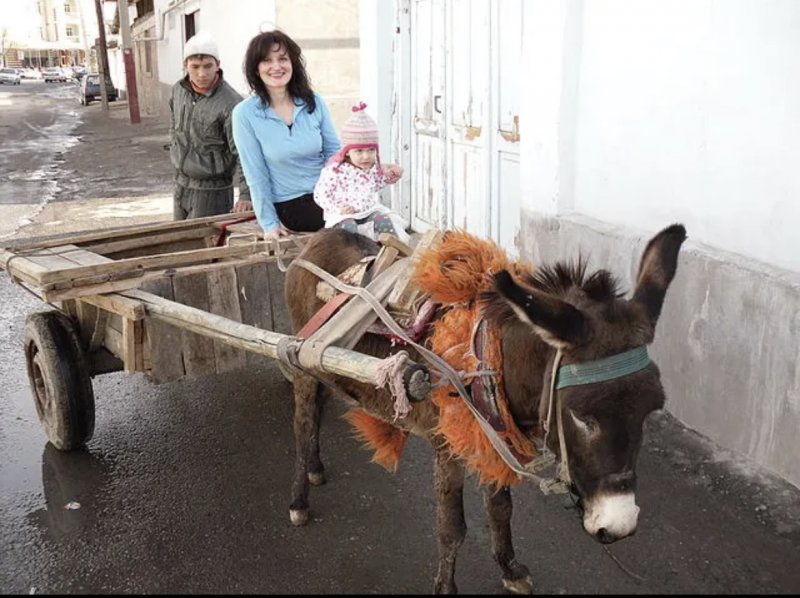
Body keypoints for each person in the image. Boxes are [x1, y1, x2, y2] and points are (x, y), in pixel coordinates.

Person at [232, 30, 341, 240]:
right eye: (267, 61)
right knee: (355, 224)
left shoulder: (314, 102)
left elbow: (334, 154)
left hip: (328, 195)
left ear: (293, 63)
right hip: (291, 204)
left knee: (377, 215)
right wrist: (269, 223)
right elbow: (255, 174)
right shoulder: (245, 114)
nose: (276, 66)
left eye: (283, 59)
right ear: (256, 69)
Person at [169, 31, 251, 220]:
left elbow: (244, 153)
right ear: (185, 65)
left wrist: (246, 195)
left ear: (218, 65)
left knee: (203, 238)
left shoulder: (231, 104)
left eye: (208, 66)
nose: (202, 73)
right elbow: (174, 128)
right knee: (177, 236)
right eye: (195, 66)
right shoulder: (178, 90)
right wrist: (174, 150)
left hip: (212, 192)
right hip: (180, 184)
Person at [313, 102, 409, 244]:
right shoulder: (334, 171)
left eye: (371, 150)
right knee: (349, 227)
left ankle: (391, 247)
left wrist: (389, 177)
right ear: (347, 152)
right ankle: (353, 252)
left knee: (382, 219)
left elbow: (374, 184)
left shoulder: (370, 168)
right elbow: (320, 195)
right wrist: (338, 209)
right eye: (359, 151)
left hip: (367, 211)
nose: (366, 156)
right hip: (344, 214)